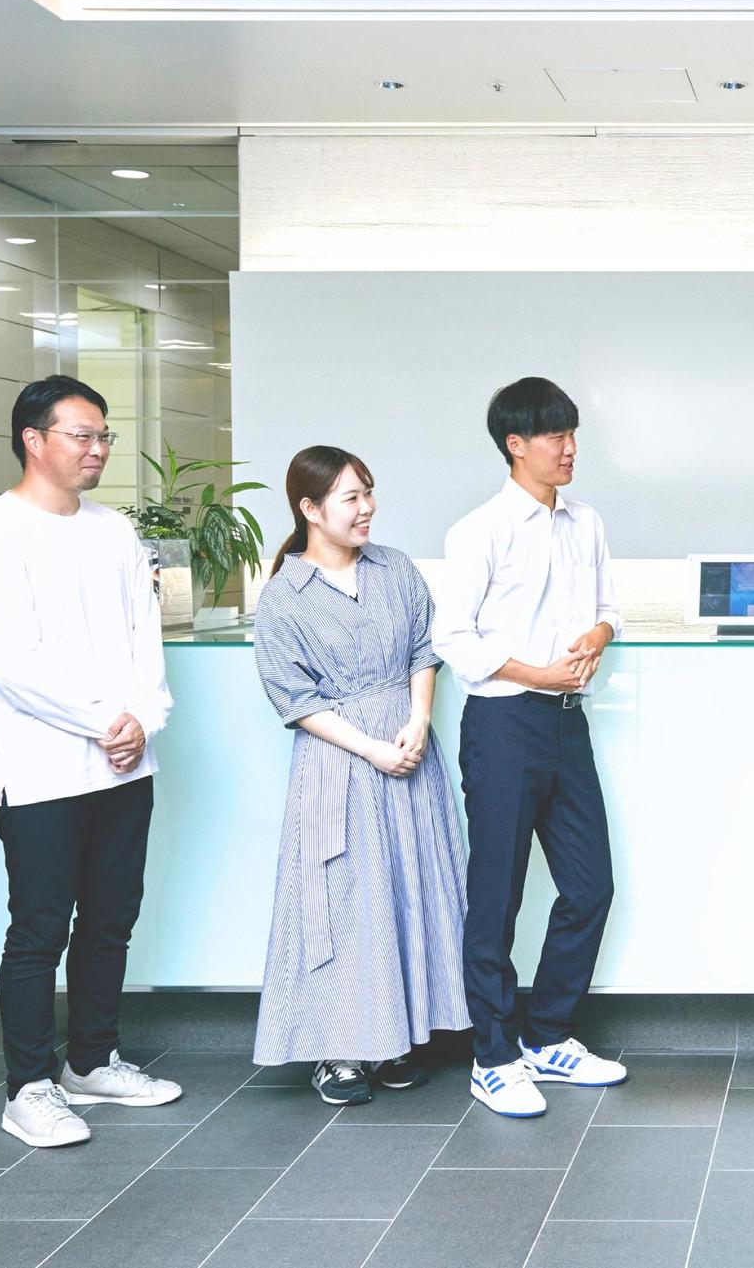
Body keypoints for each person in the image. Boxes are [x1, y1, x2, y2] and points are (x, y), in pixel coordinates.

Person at [0, 375, 182, 1149]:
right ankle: (28, 1087)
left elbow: (144, 638)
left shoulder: (114, 533)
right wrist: (101, 721)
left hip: (123, 766)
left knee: (111, 920)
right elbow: (10, 661)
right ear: (34, 438)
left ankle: (92, 1061)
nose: (99, 449)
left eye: (103, 435)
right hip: (40, 770)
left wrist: (144, 719)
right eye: (83, 434)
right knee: (39, 928)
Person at [251, 447, 472, 1105]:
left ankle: (394, 1039)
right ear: (310, 509)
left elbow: (425, 649)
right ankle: (339, 1053)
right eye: (350, 497)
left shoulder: (395, 569)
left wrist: (419, 718)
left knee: (409, 889)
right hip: (340, 762)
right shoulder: (284, 595)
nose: (367, 507)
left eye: (368, 492)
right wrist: (371, 749)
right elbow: (294, 698)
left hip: (409, 752)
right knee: (343, 899)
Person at [433, 377, 629, 1119]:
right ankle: (492, 1055)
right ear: (515, 444)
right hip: (503, 723)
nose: (569, 447)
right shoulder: (479, 530)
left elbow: (608, 608)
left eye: (573, 433)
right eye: (554, 435)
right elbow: (453, 637)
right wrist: (538, 671)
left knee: (590, 885)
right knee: (497, 895)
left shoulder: (587, 522)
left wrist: (595, 637)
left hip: (567, 722)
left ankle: (546, 1035)